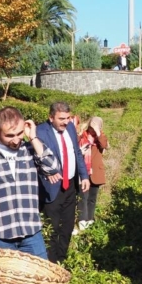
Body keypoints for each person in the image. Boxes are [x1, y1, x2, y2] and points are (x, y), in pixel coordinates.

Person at [0, 107, 60, 259]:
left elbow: (53, 168)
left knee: (40, 280)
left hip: (31, 232)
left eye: (19, 133)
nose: (15, 140)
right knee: (1, 282)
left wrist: (33, 138)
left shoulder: (30, 149)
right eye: (9, 135)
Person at [36, 102, 90, 264]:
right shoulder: (40, 132)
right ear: (50, 117)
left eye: (68, 118)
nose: (65, 122)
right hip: (51, 187)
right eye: (61, 119)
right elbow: (36, 159)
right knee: (52, 228)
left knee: (67, 226)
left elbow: (76, 153)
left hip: (70, 185)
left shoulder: (71, 129)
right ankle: (50, 263)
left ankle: (62, 259)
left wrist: (84, 175)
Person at [77, 116, 108, 232]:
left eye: (96, 126)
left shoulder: (101, 137)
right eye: (92, 126)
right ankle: (82, 219)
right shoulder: (82, 136)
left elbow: (104, 145)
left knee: (92, 198)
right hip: (83, 171)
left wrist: (98, 132)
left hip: (96, 172)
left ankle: (90, 218)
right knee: (83, 197)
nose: (92, 129)